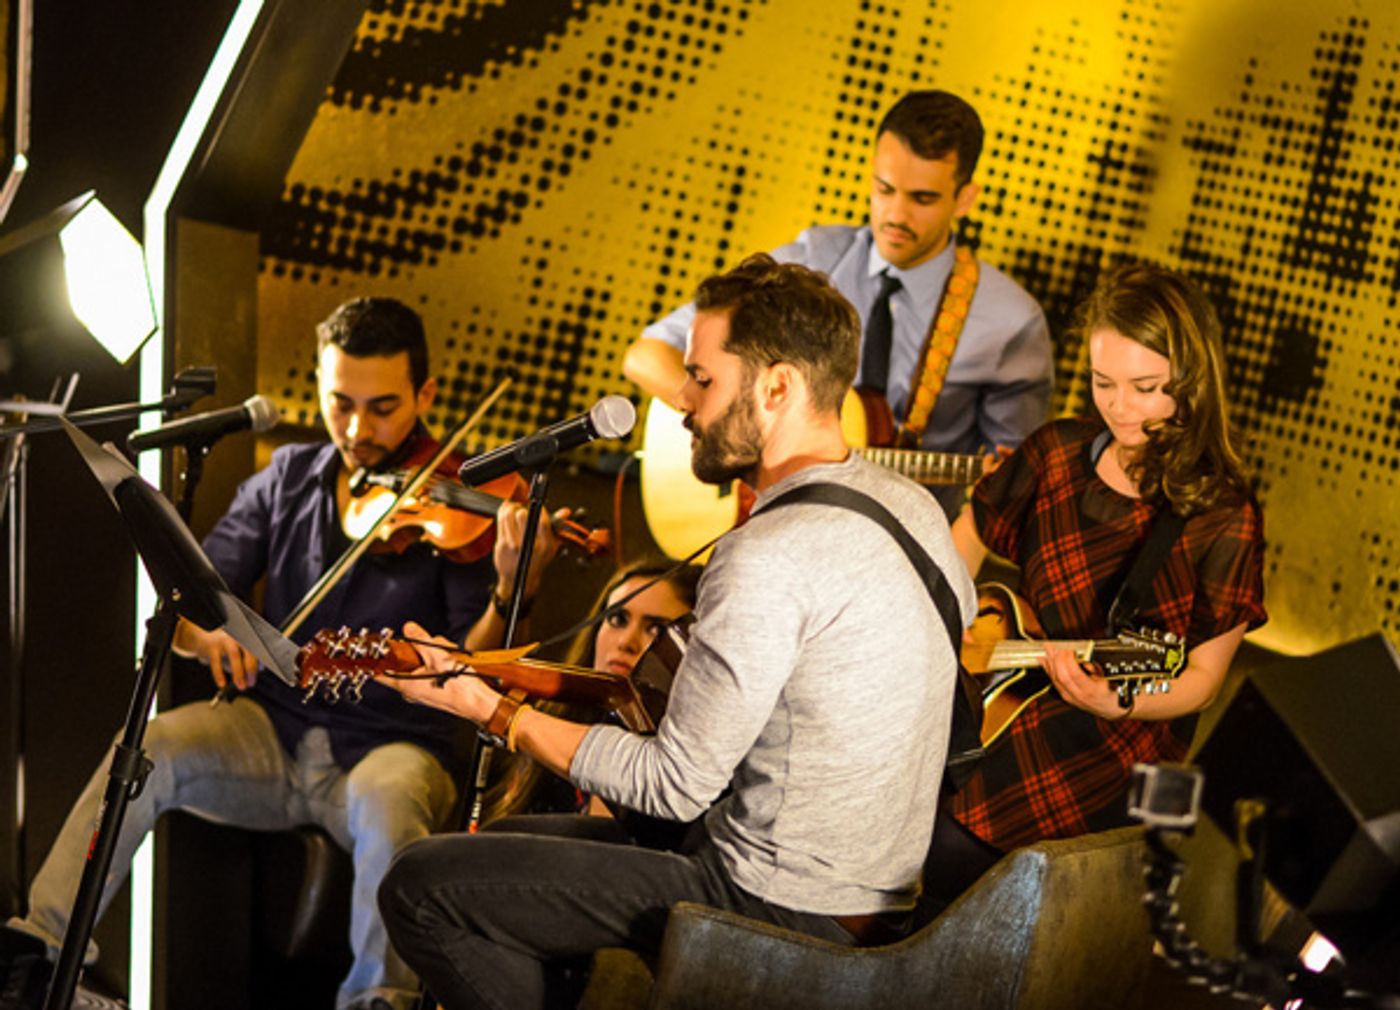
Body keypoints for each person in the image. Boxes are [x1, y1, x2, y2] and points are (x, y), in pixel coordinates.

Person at [376, 254, 976, 1010]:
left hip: (775, 904)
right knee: (507, 856)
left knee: (421, 884)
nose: (682, 403)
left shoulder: (766, 553)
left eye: (703, 379)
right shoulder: (913, 508)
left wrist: (490, 709)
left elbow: (672, 786)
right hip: (881, 896)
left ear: (779, 386)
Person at [0, 298, 559, 1010]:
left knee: (391, 804)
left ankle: (378, 999)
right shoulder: (288, 478)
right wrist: (211, 633)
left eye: (383, 408)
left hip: (393, 745)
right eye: (340, 405)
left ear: (426, 395)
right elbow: (183, 607)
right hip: (272, 731)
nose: (357, 431)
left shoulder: (457, 501)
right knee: (153, 743)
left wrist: (515, 585)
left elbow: (470, 663)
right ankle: (40, 953)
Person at [929, 261, 1267, 904]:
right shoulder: (1055, 451)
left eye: (1145, 387)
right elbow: (961, 544)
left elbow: (1200, 681)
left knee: (947, 844)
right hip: (1000, 699)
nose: (1119, 407)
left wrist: (1117, 703)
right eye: (1102, 382)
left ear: (1190, 380)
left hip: (1116, 743)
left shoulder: (1225, 514)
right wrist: (945, 632)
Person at [623, 89, 1054, 514]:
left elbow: (1011, 491)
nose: (895, 215)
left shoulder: (1011, 323)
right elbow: (645, 357)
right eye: (884, 189)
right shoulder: (810, 259)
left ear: (965, 199)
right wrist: (751, 431)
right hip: (767, 521)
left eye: (922, 199)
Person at [480, 557, 701, 823]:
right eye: (617, 619)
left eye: (656, 629)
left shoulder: (686, 760)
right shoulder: (551, 717)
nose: (625, 642)